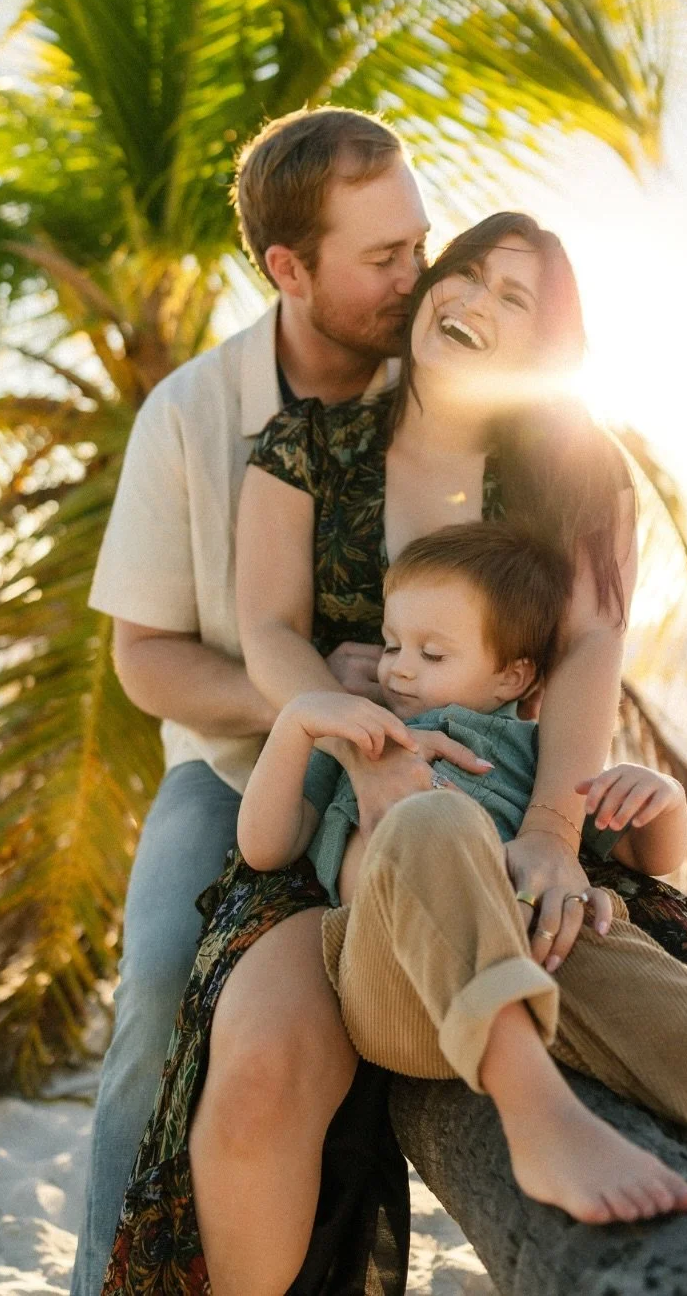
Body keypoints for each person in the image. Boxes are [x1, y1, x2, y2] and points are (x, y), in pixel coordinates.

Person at [102, 209, 687, 1296]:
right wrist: (349, 734)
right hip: (348, 877)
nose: (477, 301)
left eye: (519, 301)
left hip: (517, 851)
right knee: (253, 1070)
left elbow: (595, 645)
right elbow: (270, 630)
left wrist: (558, 834)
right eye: (468, 274)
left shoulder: (577, 469)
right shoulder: (306, 444)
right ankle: (534, 1112)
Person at [73, 106, 496, 1296]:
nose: (418, 278)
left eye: (419, 242)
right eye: (383, 259)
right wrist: (307, 705)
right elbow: (145, 655)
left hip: (448, 774)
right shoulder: (194, 416)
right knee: (160, 995)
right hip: (226, 776)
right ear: (287, 267)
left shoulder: (454, 383)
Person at [238, 520, 687, 1280]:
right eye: (392, 644)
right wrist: (298, 727)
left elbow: (647, 855)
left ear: (513, 678)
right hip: (401, 981)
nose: (397, 670)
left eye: (432, 653)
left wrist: (661, 799)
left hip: (553, 961)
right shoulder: (365, 740)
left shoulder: (535, 754)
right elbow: (267, 844)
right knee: (434, 818)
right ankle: (538, 1116)